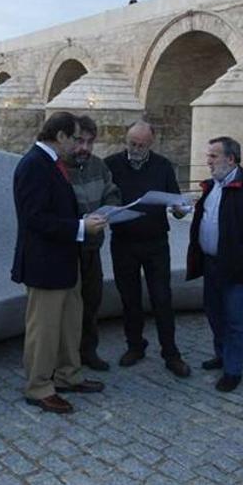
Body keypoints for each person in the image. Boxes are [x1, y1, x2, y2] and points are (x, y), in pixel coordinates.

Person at [11, 112, 107, 414]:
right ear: (61, 136)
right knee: (44, 330)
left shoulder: (52, 163)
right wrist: (81, 227)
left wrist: (82, 222)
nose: (78, 145)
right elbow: (35, 218)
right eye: (75, 138)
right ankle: (38, 387)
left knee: (69, 324)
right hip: (44, 265)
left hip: (65, 261)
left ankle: (68, 376)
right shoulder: (34, 165)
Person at [105, 120, 191, 377]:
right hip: (124, 242)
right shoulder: (111, 164)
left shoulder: (163, 165)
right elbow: (104, 198)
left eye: (141, 145)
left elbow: (176, 202)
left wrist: (180, 209)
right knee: (129, 298)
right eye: (132, 144)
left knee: (162, 298)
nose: (136, 149)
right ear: (126, 140)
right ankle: (135, 346)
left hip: (156, 242)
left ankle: (171, 353)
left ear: (151, 144)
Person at [186, 137, 243, 392]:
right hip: (211, 263)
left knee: (235, 319)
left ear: (231, 159)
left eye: (213, 156)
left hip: (236, 266)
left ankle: (233, 370)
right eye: (208, 156)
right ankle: (222, 354)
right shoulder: (212, 186)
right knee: (214, 312)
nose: (208, 161)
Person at [64, 115, 121, 371]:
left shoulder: (98, 166)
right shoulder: (58, 168)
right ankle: (68, 358)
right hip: (67, 250)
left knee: (92, 302)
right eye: (80, 141)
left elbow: (112, 192)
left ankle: (89, 351)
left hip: (92, 248)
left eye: (90, 142)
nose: (84, 148)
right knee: (69, 307)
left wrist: (111, 210)